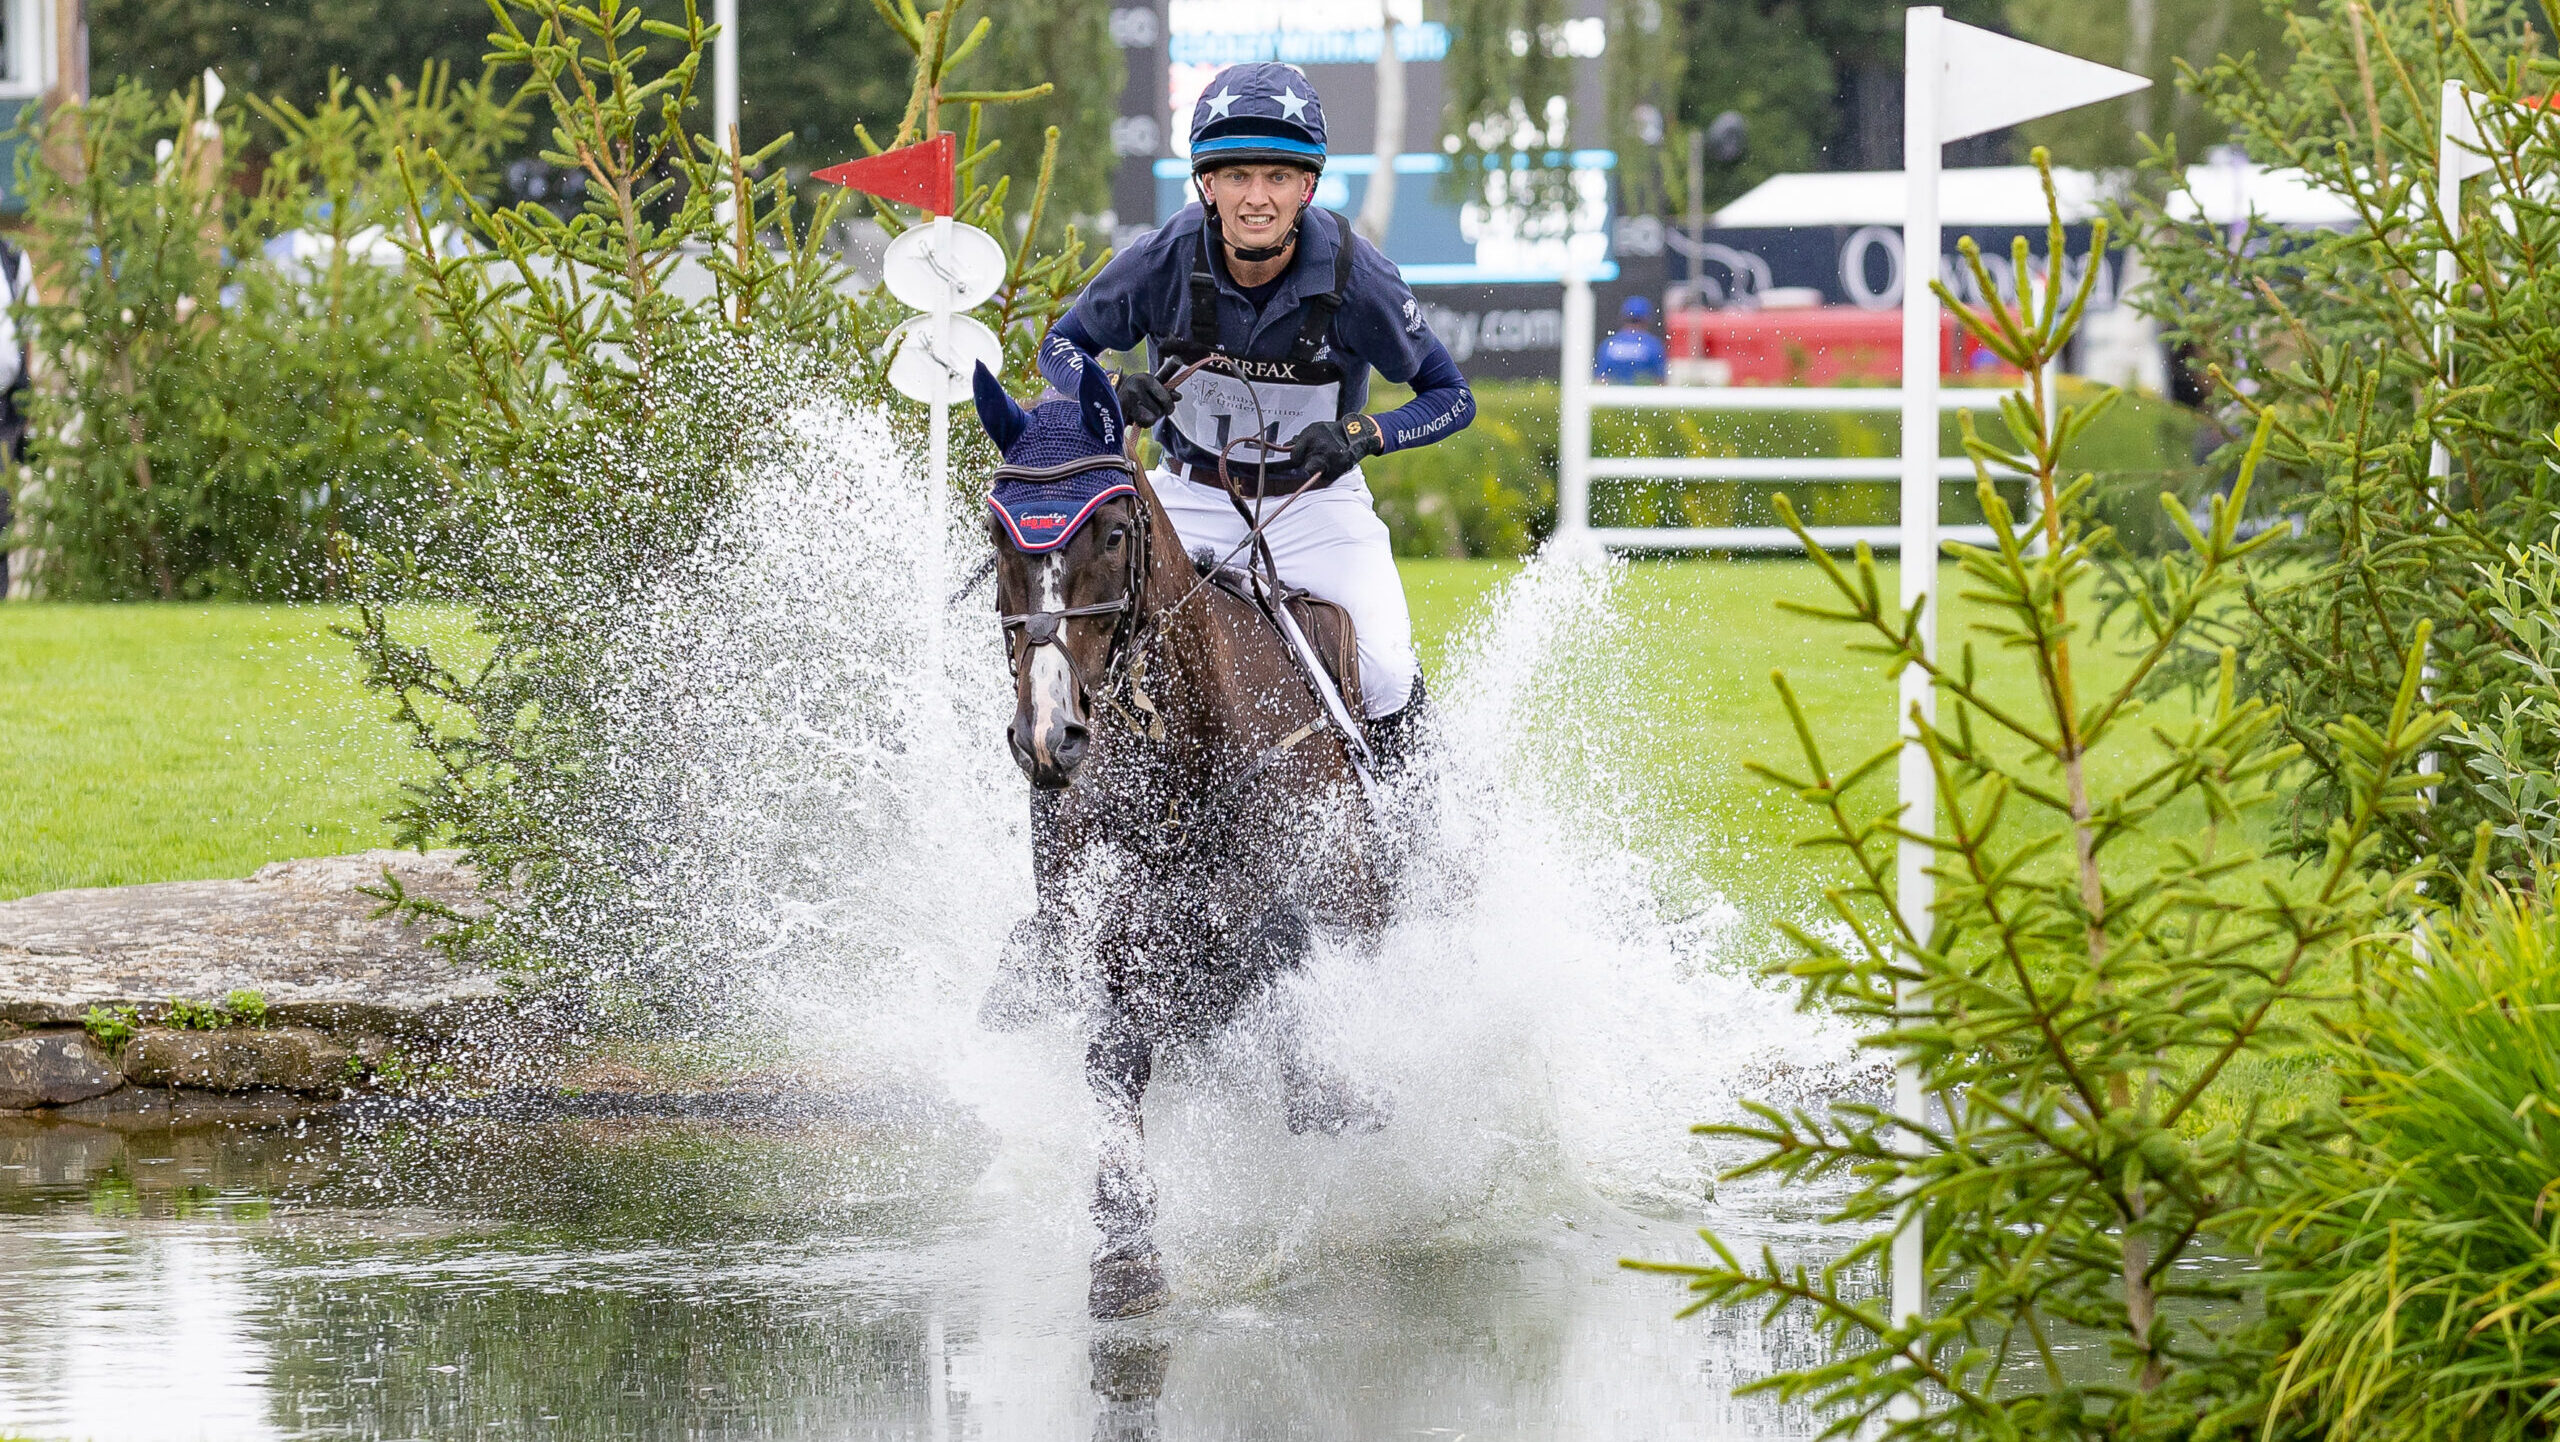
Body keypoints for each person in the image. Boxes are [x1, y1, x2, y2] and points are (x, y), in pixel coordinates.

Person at [1034, 60, 1474, 773]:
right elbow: (1057, 347)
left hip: (1315, 511)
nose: (1257, 198)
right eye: (1237, 176)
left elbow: (1452, 397)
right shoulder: (1161, 260)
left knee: (1389, 672)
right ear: (1207, 184)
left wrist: (1365, 434)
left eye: (1278, 177)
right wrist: (1109, 388)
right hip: (1186, 502)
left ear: (1308, 187)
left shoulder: (1357, 278)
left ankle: (1416, 832)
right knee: (1095, 646)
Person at [1593, 294, 1667, 385]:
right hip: (1642, 397)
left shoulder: (1608, 344)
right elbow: (1660, 381)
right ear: (1647, 319)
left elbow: (1600, 380)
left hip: (1613, 397)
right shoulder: (1653, 345)